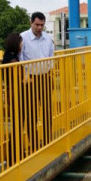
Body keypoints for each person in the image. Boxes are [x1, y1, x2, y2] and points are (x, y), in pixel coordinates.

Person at [19, 12, 55, 147]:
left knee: (47, 110)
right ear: (31, 23)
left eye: (41, 25)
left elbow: (51, 56)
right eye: (37, 25)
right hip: (30, 80)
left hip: (45, 76)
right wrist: (24, 74)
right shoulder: (23, 38)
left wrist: (50, 74)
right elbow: (20, 58)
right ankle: (33, 143)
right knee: (31, 112)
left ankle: (47, 140)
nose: (39, 28)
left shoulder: (48, 38)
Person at [1, 32, 23, 165]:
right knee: (17, 125)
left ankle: (15, 155)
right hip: (14, 93)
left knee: (18, 124)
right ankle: (13, 157)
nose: (22, 45)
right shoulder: (12, 59)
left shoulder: (9, 55)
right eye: (20, 43)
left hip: (13, 93)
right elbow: (19, 76)